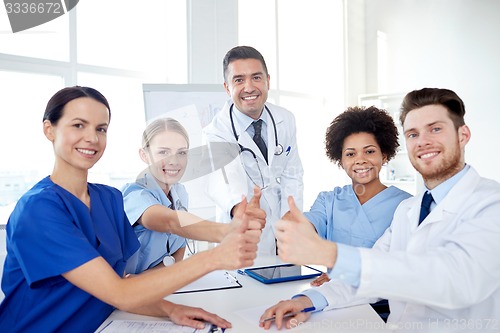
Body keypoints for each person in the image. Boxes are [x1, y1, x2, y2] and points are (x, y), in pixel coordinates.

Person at [0, 86, 263, 333]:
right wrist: (217, 253)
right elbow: (120, 292)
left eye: (101, 129)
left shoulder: (108, 199)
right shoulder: (37, 209)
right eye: (78, 125)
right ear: (49, 130)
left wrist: (170, 309)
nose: (92, 138)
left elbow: (119, 284)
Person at [260, 88, 500, 331]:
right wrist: (306, 301)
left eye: (435, 129)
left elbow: (457, 282)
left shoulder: (491, 204)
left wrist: (332, 255)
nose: (423, 141)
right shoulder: (408, 210)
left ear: (463, 135)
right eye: (413, 134)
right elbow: (371, 276)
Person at [122, 117, 265, 274]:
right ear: (144, 155)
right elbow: (171, 222)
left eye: (181, 153)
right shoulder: (135, 194)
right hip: (125, 291)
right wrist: (229, 231)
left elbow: (178, 251)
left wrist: (151, 281)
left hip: (156, 284)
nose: (174, 161)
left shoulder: (179, 192)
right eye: (163, 152)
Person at [203, 45, 304, 255]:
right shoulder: (217, 131)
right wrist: (240, 209)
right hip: (242, 233)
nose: (249, 87)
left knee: (287, 286)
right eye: (239, 80)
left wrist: (290, 214)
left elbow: (292, 173)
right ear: (227, 87)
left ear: (268, 80)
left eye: (256, 77)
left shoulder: (285, 119)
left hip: (283, 230)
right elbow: (224, 178)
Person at [302, 106, 411, 288]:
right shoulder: (329, 200)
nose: (360, 160)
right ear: (340, 160)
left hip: (384, 301)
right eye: (350, 154)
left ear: (384, 156)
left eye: (369, 151)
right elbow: (308, 225)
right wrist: (294, 226)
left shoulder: (407, 205)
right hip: (335, 297)